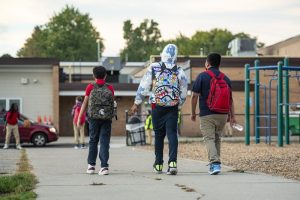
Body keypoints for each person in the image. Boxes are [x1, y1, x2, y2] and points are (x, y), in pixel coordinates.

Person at [129, 44, 188, 175]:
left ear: (163, 54)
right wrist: (180, 103)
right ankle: (172, 163)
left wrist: (136, 102)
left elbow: (144, 85)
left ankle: (158, 164)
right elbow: (184, 89)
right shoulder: (179, 70)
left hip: (157, 106)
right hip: (172, 107)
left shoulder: (154, 67)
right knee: (172, 134)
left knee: (159, 135)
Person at [191, 53, 236, 175]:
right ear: (219, 64)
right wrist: (232, 117)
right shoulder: (225, 78)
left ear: (207, 63)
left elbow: (194, 96)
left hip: (207, 114)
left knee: (209, 138)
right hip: (223, 114)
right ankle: (216, 164)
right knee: (217, 138)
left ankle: (215, 164)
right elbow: (230, 100)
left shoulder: (202, 76)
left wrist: (193, 113)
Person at [77, 66, 114, 176]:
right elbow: (113, 103)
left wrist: (79, 117)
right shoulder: (110, 88)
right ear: (105, 75)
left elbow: (84, 103)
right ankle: (104, 167)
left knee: (93, 140)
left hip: (93, 118)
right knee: (104, 141)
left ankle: (91, 166)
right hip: (107, 118)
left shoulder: (90, 87)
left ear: (93, 76)